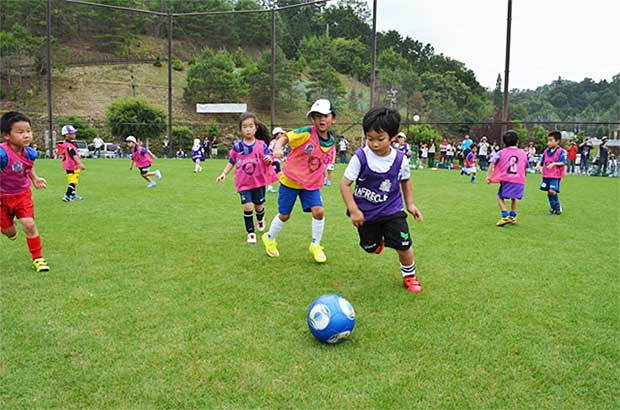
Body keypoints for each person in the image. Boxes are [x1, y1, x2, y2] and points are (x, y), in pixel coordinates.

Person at [339, 107, 424, 293]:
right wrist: (353, 209)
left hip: (392, 210)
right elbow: (345, 184)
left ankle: (410, 276)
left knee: (404, 245)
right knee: (370, 247)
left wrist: (410, 204)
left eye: (380, 139)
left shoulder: (401, 159)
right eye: (370, 139)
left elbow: (405, 180)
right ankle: (379, 241)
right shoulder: (360, 157)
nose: (374, 144)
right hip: (366, 214)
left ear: (392, 137)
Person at [261, 99, 337, 263]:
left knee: (319, 211)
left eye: (325, 115)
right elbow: (284, 137)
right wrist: (278, 147)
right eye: (317, 116)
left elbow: (324, 162)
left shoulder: (332, 143)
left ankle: (316, 245)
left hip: (311, 185)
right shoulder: (306, 133)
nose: (321, 119)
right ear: (312, 119)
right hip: (290, 181)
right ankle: (269, 238)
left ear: (333, 118)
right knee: (284, 215)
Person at [216, 113, 278, 243]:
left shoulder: (261, 145)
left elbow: (269, 158)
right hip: (243, 183)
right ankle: (250, 233)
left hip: (259, 182)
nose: (248, 129)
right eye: (245, 127)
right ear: (241, 129)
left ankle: (260, 219)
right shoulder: (237, 147)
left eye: (250, 126)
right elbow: (231, 161)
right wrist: (223, 173)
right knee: (248, 207)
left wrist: (268, 159)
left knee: (259, 206)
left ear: (255, 128)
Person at [0, 111, 50, 272]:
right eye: (20, 132)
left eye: (28, 131)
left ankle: (38, 259)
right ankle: (7, 225)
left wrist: (35, 179)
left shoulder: (30, 153)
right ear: (7, 135)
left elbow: (27, 167)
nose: (26, 135)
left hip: (22, 195)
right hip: (2, 198)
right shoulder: (2, 154)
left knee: (29, 224)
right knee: (10, 233)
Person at [486, 130, 529, 226]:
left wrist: (489, 176)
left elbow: (492, 162)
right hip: (519, 180)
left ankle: (505, 215)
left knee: (500, 196)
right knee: (514, 198)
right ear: (517, 141)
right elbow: (525, 165)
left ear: (504, 142)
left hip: (507, 179)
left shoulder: (502, 152)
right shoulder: (523, 153)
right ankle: (512, 216)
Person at [536, 131, 566, 215]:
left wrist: (554, 164)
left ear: (557, 141)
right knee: (549, 192)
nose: (548, 142)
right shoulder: (546, 151)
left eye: (550, 140)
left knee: (552, 191)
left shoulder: (561, 151)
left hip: (555, 175)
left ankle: (557, 206)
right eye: (548, 140)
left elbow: (563, 162)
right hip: (546, 175)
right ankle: (553, 208)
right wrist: (538, 165)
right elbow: (542, 160)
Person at [58, 124, 86, 202]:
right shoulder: (69, 145)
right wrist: (80, 163)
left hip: (69, 165)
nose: (74, 134)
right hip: (71, 166)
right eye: (72, 133)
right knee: (73, 181)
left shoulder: (67, 144)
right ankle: (67, 195)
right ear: (66, 135)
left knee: (74, 179)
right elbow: (73, 155)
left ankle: (72, 194)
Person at [267, 127, 285, 193]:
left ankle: (271, 187)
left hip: (277, 160)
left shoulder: (279, 142)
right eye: (281, 133)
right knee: (279, 173)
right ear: (277, 134)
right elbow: (269, 149)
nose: (282, 135)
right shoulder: (273, 142)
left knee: (273, 173)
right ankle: (281, 186)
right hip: (273, 160)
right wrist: (274, 154)